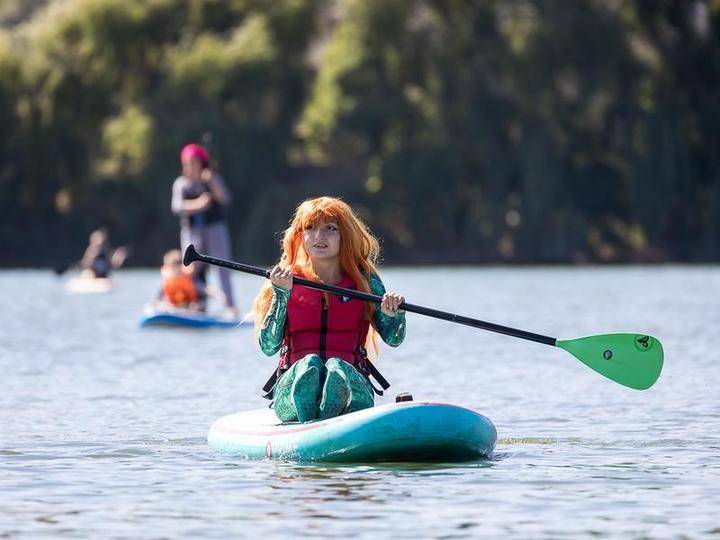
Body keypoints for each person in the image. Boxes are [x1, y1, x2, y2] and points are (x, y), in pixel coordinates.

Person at [253, 197, 406, 423]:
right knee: (309, 366)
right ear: (300, 235)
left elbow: (394, 339)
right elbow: (268, 346)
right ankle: (309, 417)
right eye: (310, 228)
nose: (319, 236)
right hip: (291, 383)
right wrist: (281, 296)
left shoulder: (365, 281)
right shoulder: (284, 279)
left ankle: (335, 400)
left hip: (352, 381)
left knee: (337, 368)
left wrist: (394, 313)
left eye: (330, 229)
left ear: (345, 235)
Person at [171, 143, 236, 314]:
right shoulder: (181, 184)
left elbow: (225, 199)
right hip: (192, 230)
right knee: (191, 268)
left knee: (222, 265)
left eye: (194, 163)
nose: (190, 167)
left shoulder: (211, 178)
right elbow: (177, 207)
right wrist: (198, 204)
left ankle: (230, 306)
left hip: (215, 228)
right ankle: (195, 302)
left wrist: (212, 183)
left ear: (201, 163)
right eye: (187, 163)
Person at [154, 249, 224, 311]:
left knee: (196, 307)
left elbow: (203, 288)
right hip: (173, 306)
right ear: (169, 267)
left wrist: (218, 295)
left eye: (178, 266)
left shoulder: (188, 276)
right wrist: (155, 304)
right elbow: (159, 295)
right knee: (162, 305)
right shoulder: (167, 279)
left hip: (190, 306)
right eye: (173, 267)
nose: (176, 270)